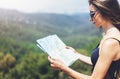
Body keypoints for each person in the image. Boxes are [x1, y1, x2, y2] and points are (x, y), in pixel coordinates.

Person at [48, 0, 120, 79]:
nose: (90, 19)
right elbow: (99, 62)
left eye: (92, 14)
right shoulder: (109, 35)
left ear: (105, 11)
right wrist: (75, 54)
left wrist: (63, 67)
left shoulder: (110, 42)